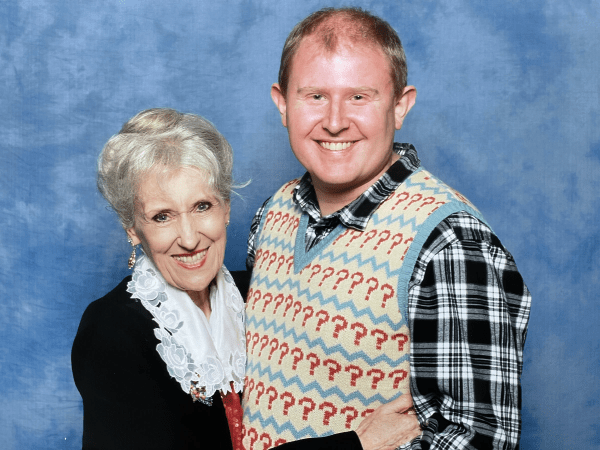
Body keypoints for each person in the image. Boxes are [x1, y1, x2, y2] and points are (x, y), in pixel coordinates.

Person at [242, 7, 531, 450]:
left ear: (400, 106)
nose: (334, 121)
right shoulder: (274, 212)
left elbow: (478, 441)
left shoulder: (449, 243)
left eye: (359, 97)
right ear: (283, 104)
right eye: (314, 96)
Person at [72, 108, 247, 449]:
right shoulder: (110, 330)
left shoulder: (259, 292)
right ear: (132, 229)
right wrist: (352, 443)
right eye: (162, 216)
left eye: (202, 206)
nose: (189, 239)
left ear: (225, 207)